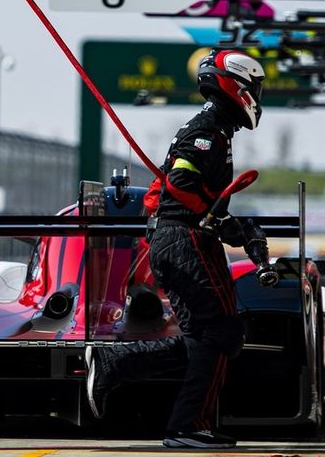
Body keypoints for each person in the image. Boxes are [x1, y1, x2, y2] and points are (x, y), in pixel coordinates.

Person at [85, 49, 267, 450]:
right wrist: (224, 222)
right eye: (255, 87)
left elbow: (193, 194)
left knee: (212, 336)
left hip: (180, 237)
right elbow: (183, 187)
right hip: (183, 238)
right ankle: (186, 427)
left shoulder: (213, 127)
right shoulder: (209, 130)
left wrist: (228, 224)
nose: (258, 96)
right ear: (238, 86)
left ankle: (116, 363)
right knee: (218, 331)